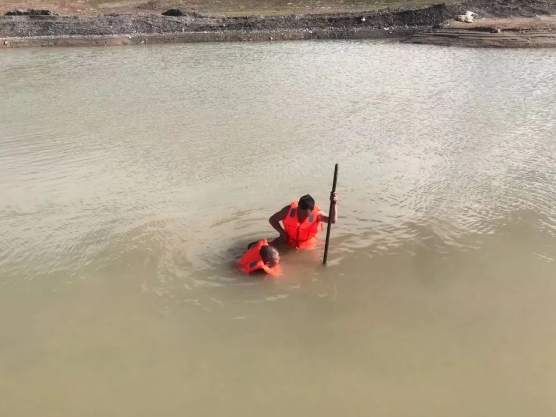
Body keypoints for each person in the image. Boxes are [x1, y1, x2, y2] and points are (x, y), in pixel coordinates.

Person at [269, 192, 337, 250]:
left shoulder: (317, 215)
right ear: (298, 208)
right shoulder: (288, 210)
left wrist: (334, 203)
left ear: (312, 211)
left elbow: (332, 220)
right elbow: (272, 219)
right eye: (300, 213)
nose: (302, 216)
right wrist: (283, 233)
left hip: (308, 244)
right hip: (289, 240)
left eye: (306, 215)